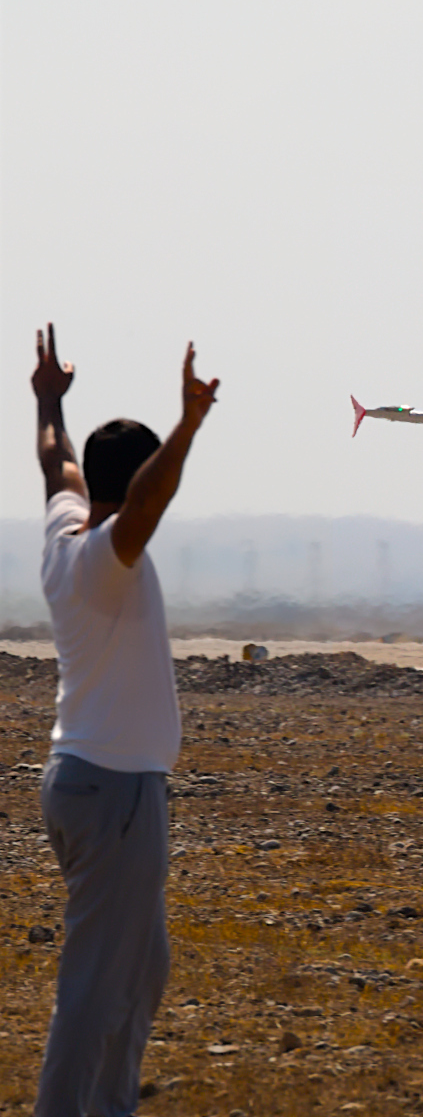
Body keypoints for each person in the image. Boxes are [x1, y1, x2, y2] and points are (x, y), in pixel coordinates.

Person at [32, 324, 218, 1117]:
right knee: (95, 985)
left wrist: (48, 400)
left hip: (91, 783)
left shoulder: (63, 534)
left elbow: (56, 460)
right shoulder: (109, 556)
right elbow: (148, 498)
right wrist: (189, 425)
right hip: (113, 796)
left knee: (140, 970)